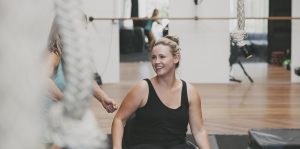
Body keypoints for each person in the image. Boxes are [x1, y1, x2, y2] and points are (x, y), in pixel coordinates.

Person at [112, 35, 211, 149]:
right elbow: (119, 120)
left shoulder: (190, 92)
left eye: (162, 57)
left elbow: (199, 130)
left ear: (176, 58)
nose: (156, 62)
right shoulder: (142, 89)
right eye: (153, 57)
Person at [43, 18, 118, 149]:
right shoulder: (53, 54)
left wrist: (102, 97)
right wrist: (65, 100)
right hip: (47, 127)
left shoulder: (72, 54)